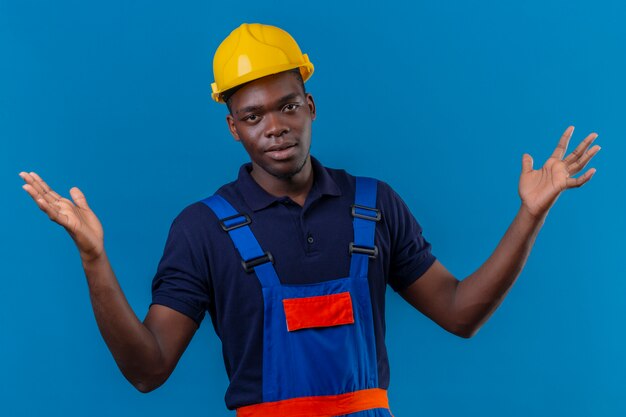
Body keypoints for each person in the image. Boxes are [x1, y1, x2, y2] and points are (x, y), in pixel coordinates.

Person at [19, 22, 600, 417]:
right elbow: (147, 370)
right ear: (233, 127)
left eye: (288, 106)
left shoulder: (373, 206)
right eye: (253, 115)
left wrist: (528, 216)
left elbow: (460, 313)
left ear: (310, 105)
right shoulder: (202, 229)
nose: (275, 126)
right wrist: (94, 258)